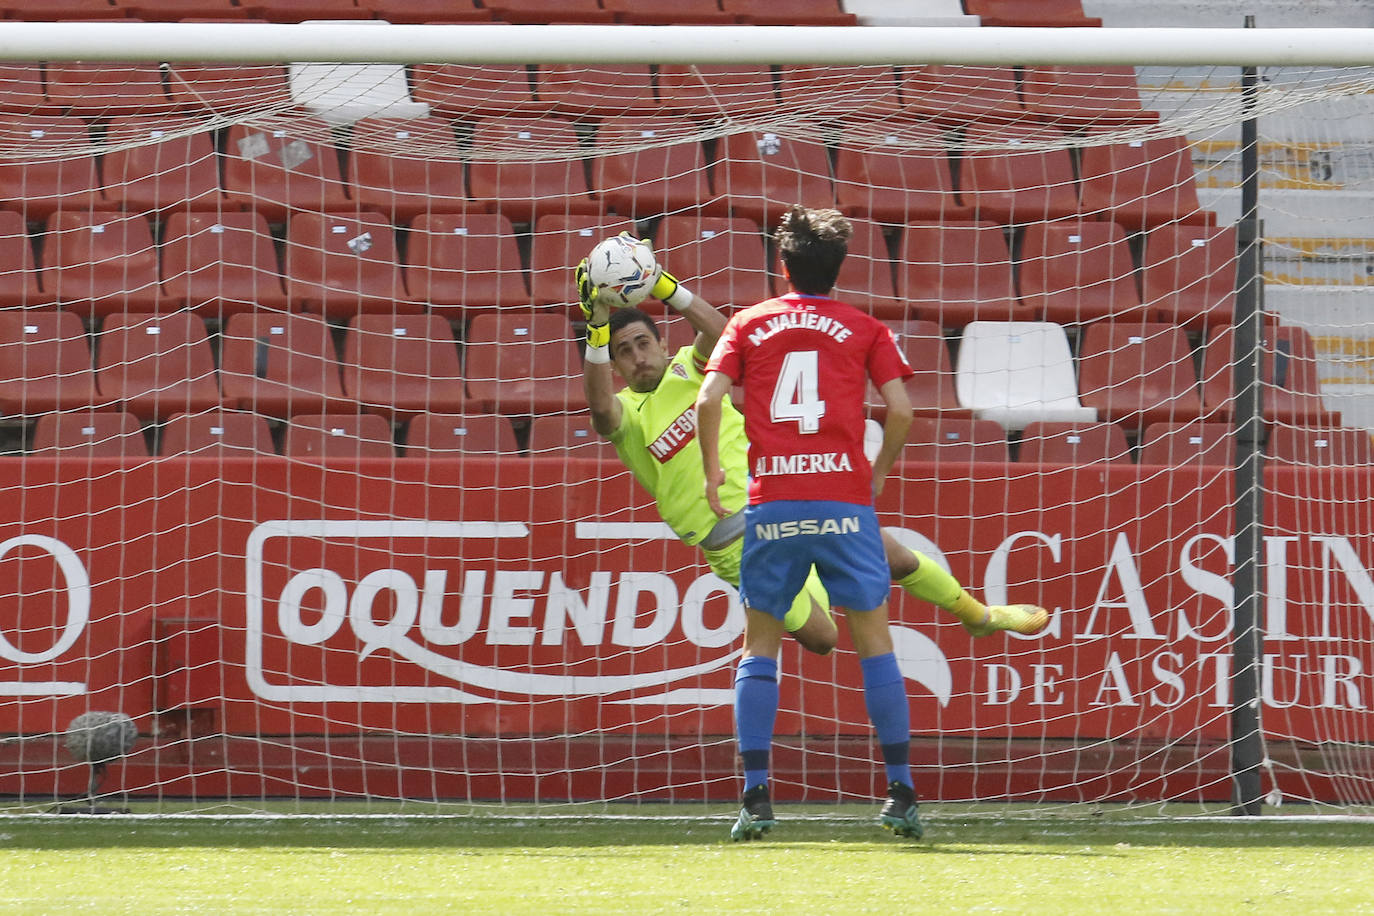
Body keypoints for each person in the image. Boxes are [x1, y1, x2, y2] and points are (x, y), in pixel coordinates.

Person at [696, 206, 1044, 842]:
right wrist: (876, 473)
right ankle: (902, 793)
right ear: (839, 269)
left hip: (773, 504)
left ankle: (755, 797)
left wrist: (715, 474)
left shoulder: (749, 322)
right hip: (842, 503)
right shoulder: (863, 327)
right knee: (874, 644)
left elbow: (709, 397)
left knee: (759, 648)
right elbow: (903, 411)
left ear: (782, 267)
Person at [577, 240, 1047, 660]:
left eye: (643, 343)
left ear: (661, 343)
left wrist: (662, 284)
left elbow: (723, 333)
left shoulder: (689, 370)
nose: (638, 357)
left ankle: (979, 616)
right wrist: (596, 327)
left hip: (782, 498)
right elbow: (599, 408)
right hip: (732, 544)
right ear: (615, 364)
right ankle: (816, 576)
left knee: (897, 558)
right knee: (823, 639)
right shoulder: (626, 416)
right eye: (624, 352)